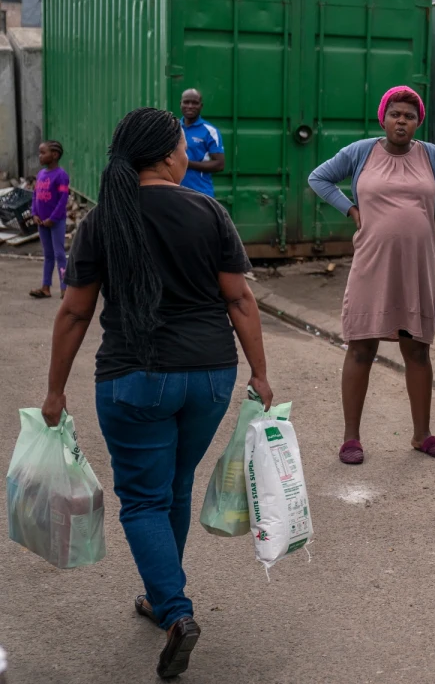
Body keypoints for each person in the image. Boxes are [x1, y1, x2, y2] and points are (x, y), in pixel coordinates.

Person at [42, 107, 273, 678]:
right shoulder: (207, 210)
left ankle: (174, 609)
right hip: (211, 375)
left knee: (144, 497)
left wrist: (54, 390)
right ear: (170, 155)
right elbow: (240, 300)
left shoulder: (103, 220)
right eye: (181, 145)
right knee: (174, 484)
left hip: (134, 377)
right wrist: (260, 374)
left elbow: (75, 310)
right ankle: (161, 597)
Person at [309, 86, 435, 465]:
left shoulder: (432, 155)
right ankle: (350, 438)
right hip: (371, 263)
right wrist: (351, 210)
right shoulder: (360, 152)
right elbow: (319, 178)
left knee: (417, 347)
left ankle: (422, 434)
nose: (401, 121)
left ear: (418, 122)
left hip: (417, 265)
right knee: (361, 346)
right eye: (395, 114)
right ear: (382, 118)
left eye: (409, 115)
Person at [29, 140, 69, 299]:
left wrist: (53, 218)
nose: (39, 156)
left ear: (55, 155)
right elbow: (35, 196)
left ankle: (65, 289)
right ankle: (45, 288)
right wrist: (34, 214)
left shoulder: (61, 175)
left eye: (43, 152)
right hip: (42, 222)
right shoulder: (40, 175)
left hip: (56, 222)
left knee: (59, 254)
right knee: (48, 255)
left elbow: (63, 199)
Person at [178, 89, 225, 197]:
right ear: (180, 104)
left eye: (195, 103)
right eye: (186, 102)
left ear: (201, 106)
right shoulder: (173, 128)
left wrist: (187, 163)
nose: (190, 106)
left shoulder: (210, 131)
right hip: (176, 193)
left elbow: (219, 164)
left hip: (201, 194)